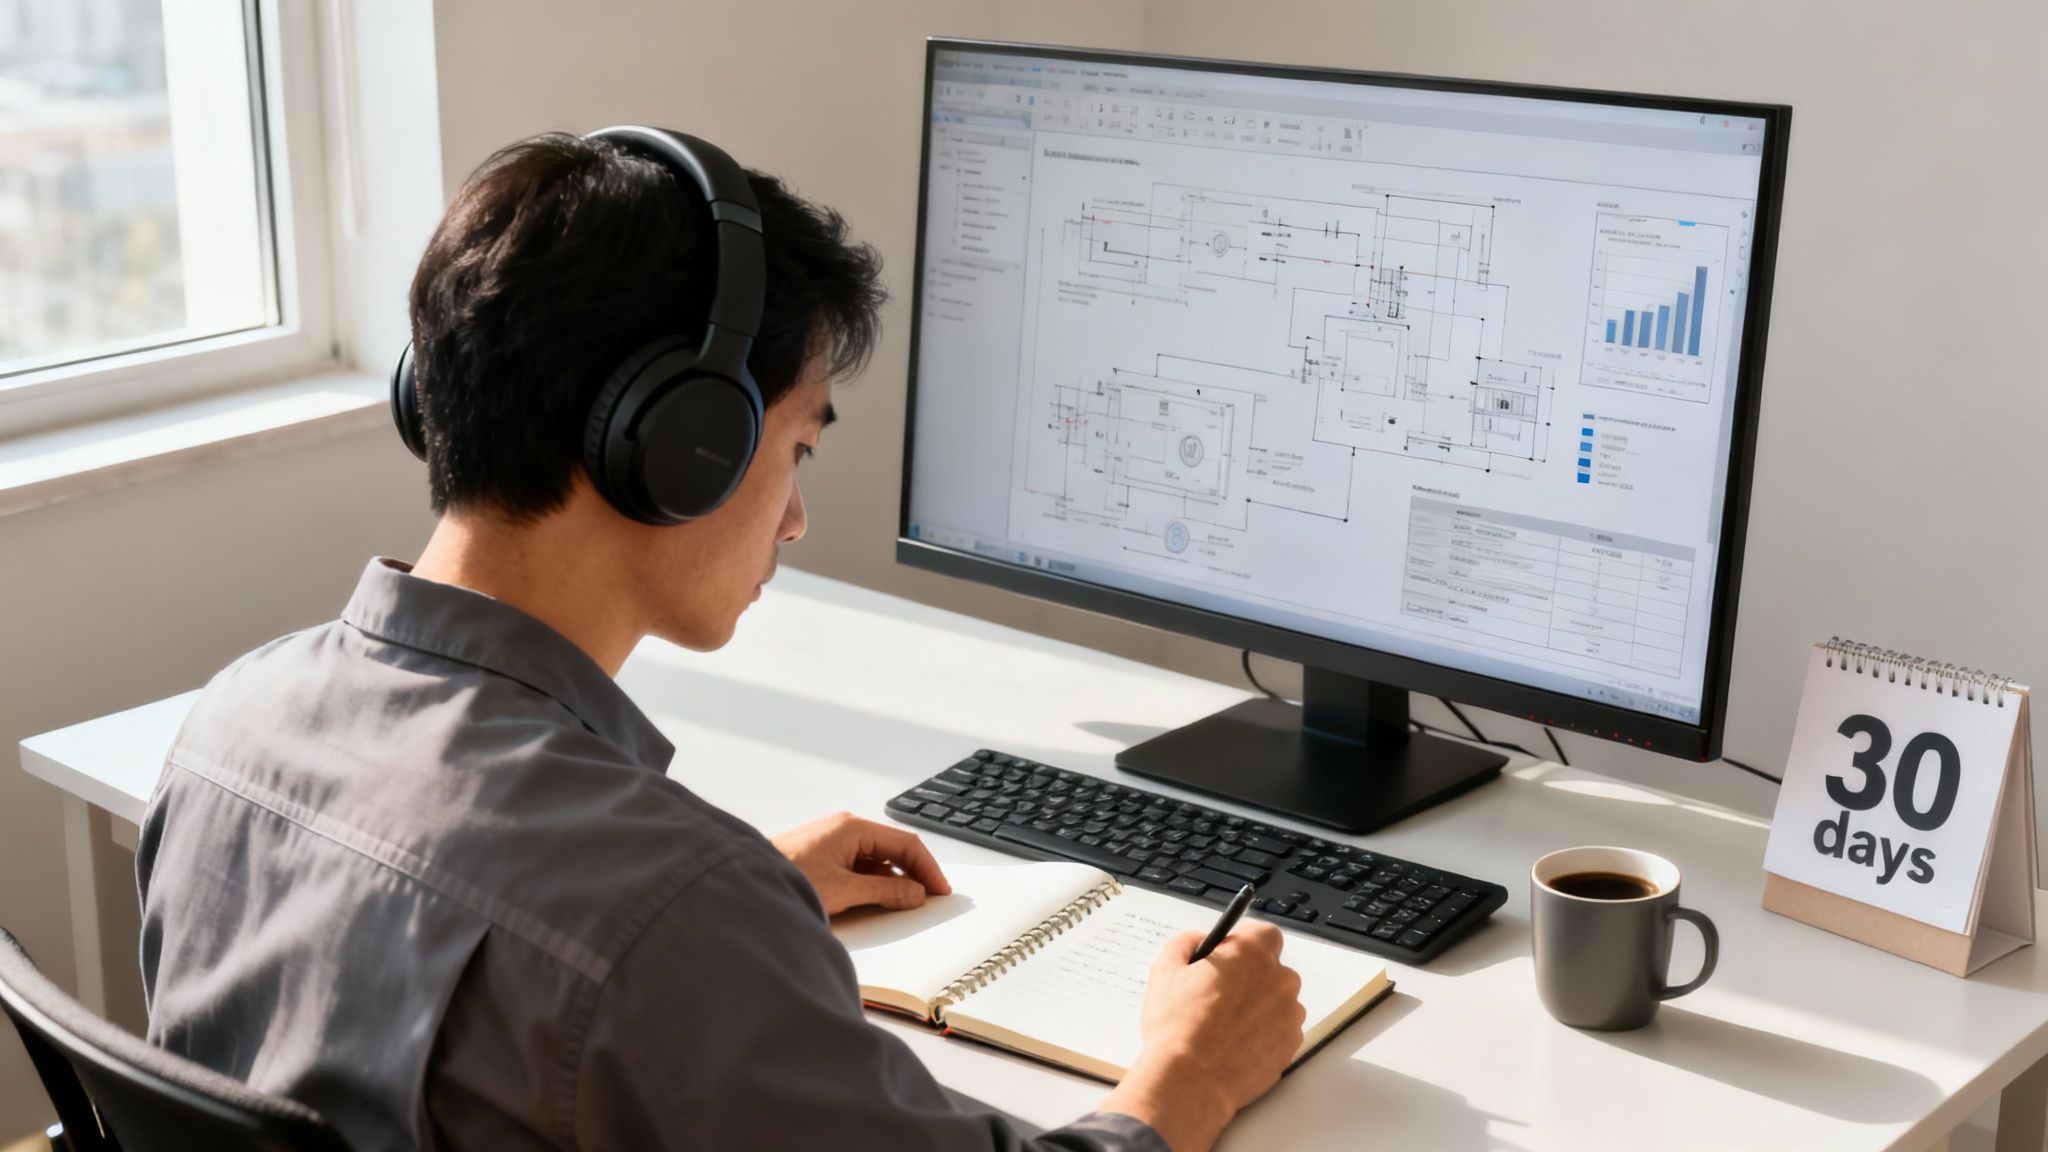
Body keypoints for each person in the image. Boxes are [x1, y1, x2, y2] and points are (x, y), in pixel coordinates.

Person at [135, 130, 1305, 1152]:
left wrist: (726, 916)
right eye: (796, 444)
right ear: (679, 443)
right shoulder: (665, 916)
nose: (795, 514)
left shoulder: (231, 721)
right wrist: (1188, 1069)